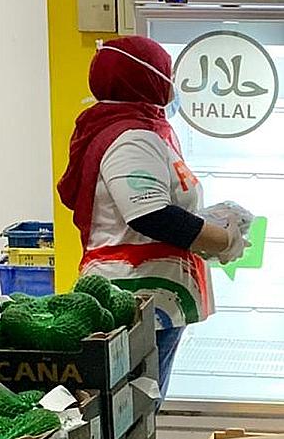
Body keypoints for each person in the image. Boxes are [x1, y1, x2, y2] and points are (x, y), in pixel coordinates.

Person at [57, 36, 247, 400]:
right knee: (137, 411)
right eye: (168, 74)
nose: (173, 84)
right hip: (136, 297)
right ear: (148, 78)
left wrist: (211, 220)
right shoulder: (131, 137)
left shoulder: (142, 130)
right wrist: (223, 241)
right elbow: (150, 214)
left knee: (142, 405)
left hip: (151, 298)